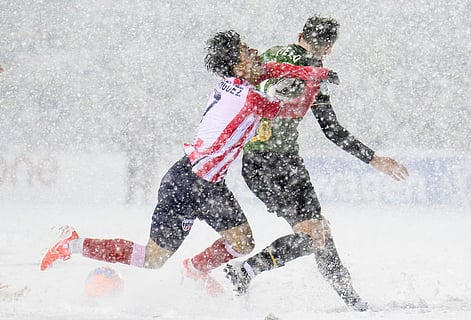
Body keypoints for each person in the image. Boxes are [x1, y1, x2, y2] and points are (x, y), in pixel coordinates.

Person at [39, 30, 338, 295]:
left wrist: (312, 73)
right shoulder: (249, 96)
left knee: (242, 243)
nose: (256, 53)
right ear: (238, 66)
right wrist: (314, 82)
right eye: (248, 51)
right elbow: (296, 109)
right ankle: (71, 244)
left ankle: (193, 269)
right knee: (152, 258)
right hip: (186, 184)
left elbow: (270, 69)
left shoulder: (234, 80)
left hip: (209, 185)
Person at [218, 15, 409, 311]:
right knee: (314, 235)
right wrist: (373, 159)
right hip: (267, 165)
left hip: (279, 164)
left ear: (300, 34)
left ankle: (353, 302)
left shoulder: (279, 57)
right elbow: (331, 129)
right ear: (330, 47)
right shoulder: (311, 70)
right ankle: (246, 271)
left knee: (320, 233)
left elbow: (261, 84)